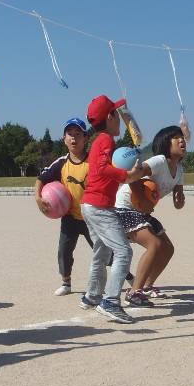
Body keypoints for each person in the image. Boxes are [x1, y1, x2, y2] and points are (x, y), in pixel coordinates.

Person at [35, 118, 134, 296]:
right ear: (64, 139)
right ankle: (66, 282)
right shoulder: (61, 163)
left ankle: (128, 276)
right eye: (70, 135)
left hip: (92, 216)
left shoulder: (94, 161)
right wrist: (37, 198)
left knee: (105, 251)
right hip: (70, 217)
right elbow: (41, 179)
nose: (74, 138)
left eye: (78, 134)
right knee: (64, 251)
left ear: (86, 138)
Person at [79, 95, 146, 324]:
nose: (119, 118)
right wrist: (128, 176)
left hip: (90, 204)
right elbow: (102, 168)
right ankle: (110, 301)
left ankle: (92, 296)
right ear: (109, 117)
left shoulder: (100, 140)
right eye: (116, 114)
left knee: (102, 250)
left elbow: (99, 169)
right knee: (124, 251)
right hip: (99, 206)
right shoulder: (106, 139)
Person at [115, 126, 186, 307]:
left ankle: (146, 286)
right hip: (125, 207)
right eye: (176, 138)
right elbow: (134, 177)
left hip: (142, 210)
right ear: (165, 143)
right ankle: (133, 292)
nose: (182, 140)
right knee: (154, 244)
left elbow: (178, 203)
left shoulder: (179, 170)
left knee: (168, 248)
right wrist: (142, 200)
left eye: (182, 137)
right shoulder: (159, 161)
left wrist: (180, 198)